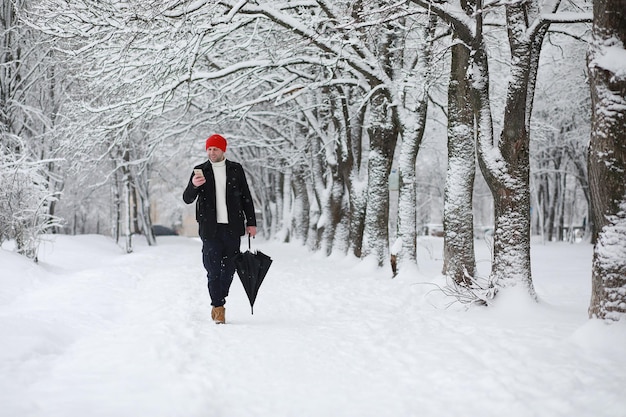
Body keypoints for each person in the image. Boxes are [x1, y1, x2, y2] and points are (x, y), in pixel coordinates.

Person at [183, 134, 257, 324]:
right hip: (210, 230)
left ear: (223, 150)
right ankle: (218, 306)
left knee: (230, 267)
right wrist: (193, 186)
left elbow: (246, 197)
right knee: (213, 269)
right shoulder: (201, 171)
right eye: (208, 149)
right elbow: (187, 198)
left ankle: (220, 297)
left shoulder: (235, 169)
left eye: (215, 149)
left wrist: (251, 223)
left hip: (232, 228)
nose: (211, 152)